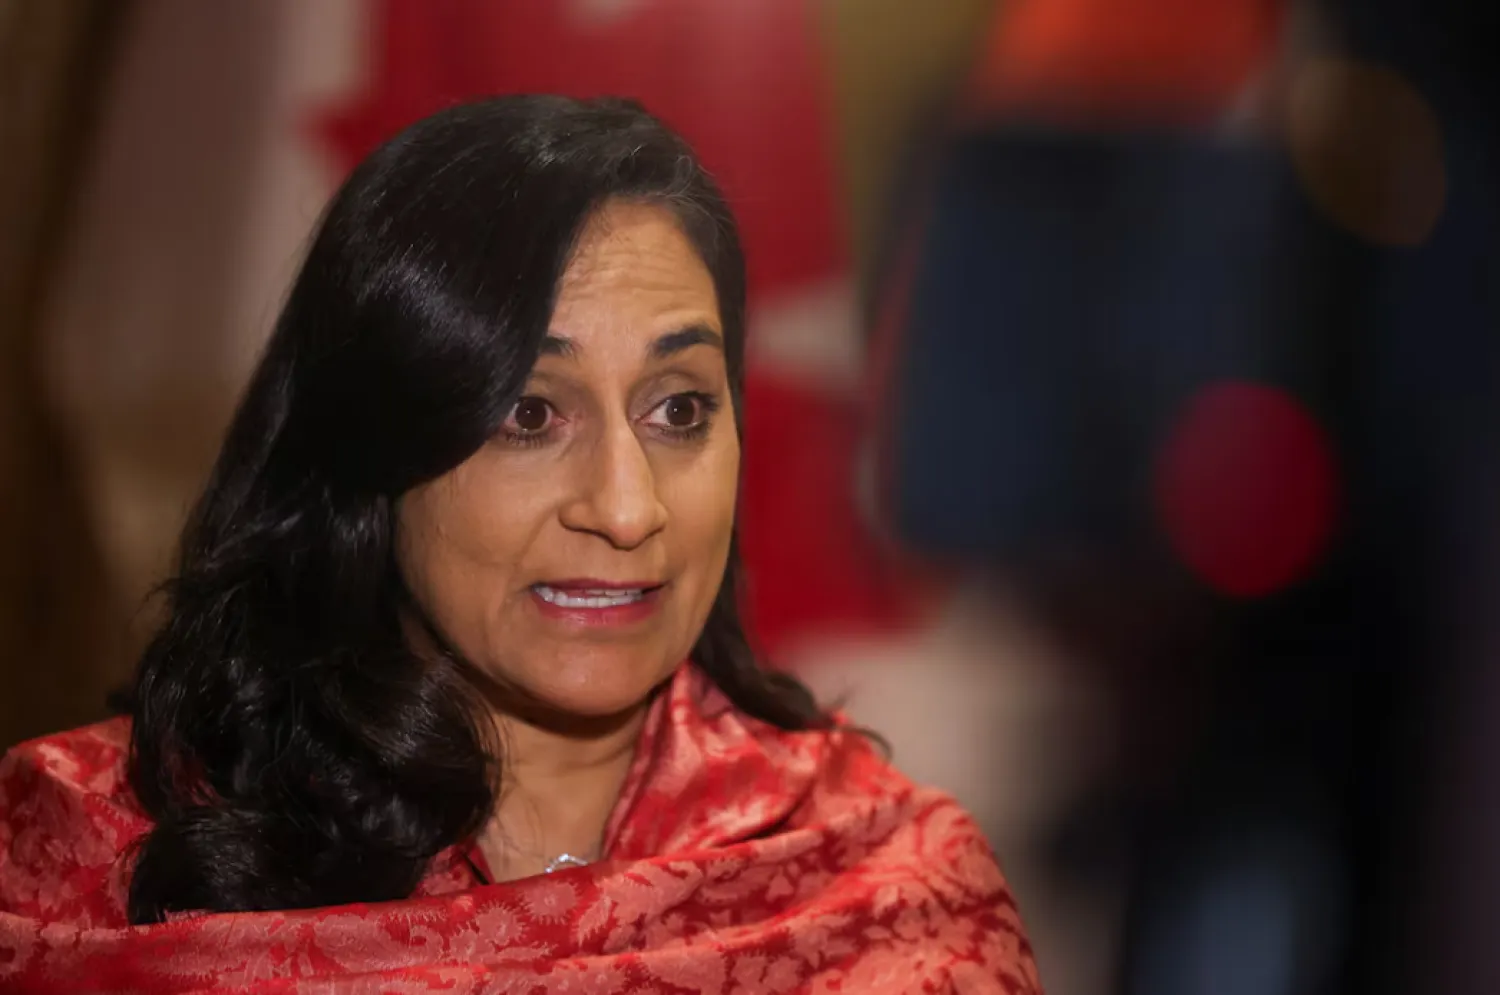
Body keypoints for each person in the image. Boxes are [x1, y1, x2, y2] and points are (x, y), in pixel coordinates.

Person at [0, 95, 1041, 993]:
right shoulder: (88, 857)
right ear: (374, 448)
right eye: (530, 416)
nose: (628, 509)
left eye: (679, 408)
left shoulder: (885, 882)